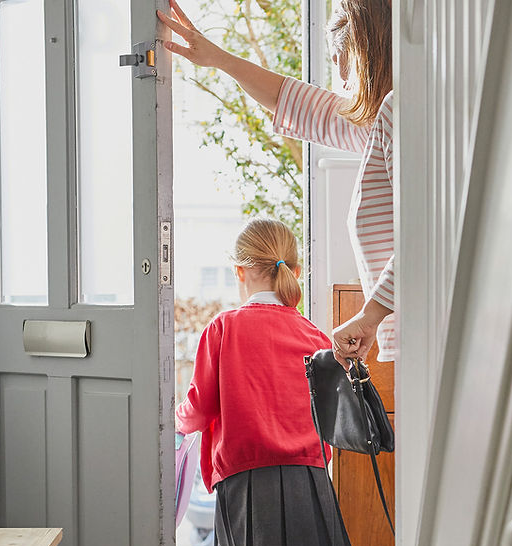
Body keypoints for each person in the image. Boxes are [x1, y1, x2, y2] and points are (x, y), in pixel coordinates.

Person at [159, 0, 397, 365]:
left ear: (368, 54)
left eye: (342, 63)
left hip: (430, 327)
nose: (344, 83)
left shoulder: (401, 113)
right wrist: (220, 59)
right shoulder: (387, 119)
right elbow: (298, 103)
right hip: (415, 330)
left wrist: (369, 316)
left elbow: (424, 234)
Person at [176, 218, 358, 546]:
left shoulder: (223, 328)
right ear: (290, 270)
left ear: (240, 271)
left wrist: (175, 421)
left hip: (243, 471)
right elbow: (327, 416)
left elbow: (199, 408)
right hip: (304, 472)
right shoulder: (313, 334)